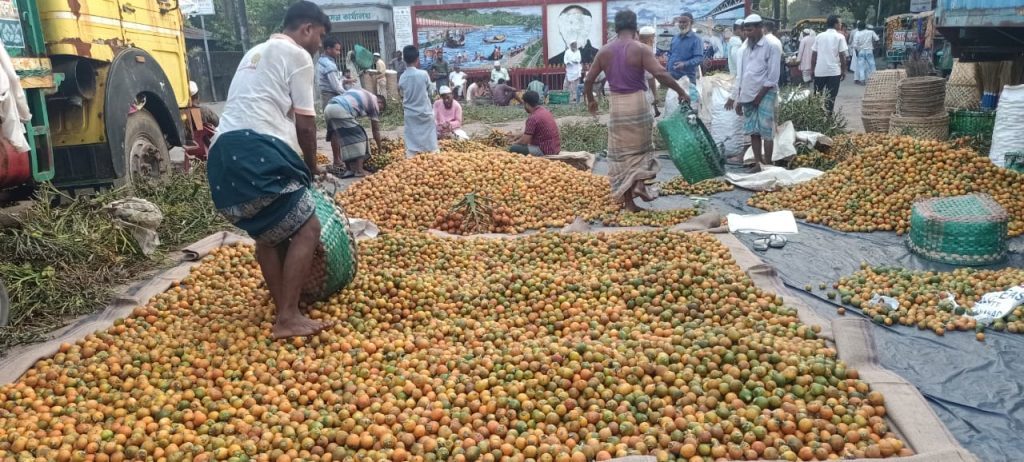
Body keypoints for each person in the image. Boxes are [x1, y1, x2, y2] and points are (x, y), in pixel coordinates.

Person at [207, 1, 330, 339]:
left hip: (222, 158)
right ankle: (288, 316)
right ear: (306, 29)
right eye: (319, 36)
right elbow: (306, 124)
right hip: (256, 151)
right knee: (308, 227)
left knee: (267, 233)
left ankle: (284, 311)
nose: (319, 45)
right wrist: (309, 168)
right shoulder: (298, 56)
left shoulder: (254, 53)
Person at [585, 9, 689, 212]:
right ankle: (640, 184)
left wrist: (591, 100)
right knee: (642, 150)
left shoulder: (604, 51)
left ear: (616, 27)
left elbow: (589, 79)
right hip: (638, 104)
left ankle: (630, 203)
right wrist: (680, 91)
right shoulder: (640, 48)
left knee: (621, 156)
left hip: (617, 107)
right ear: (635, 28)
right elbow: (659, 73)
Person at [725, 14, 781, 172]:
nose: (747, 34)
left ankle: (768, 164)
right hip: (748, 95)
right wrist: (738, 99)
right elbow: (742, 76)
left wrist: (759, 97)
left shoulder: (772, 46)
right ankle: (758, 163)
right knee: (753, 131)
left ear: (759, 28)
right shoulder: (744, 49)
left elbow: (773, 77)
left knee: (766, 130)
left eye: (750, 30)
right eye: (745, 31)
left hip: (766, 93)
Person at [324, 88, 382, 177]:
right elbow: (376, 131)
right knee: (360, 136)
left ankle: (349, 170)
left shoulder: (362, 92)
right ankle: (359, 170)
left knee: (344, 139)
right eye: (381, 109)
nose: (379, 111)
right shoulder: (374, 103)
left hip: (329, 108)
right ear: (380, 102)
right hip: (340, 109)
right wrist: (380, 149)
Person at [398, 45, 438, 155]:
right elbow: (431, 92)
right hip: (425, 112)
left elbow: (401, 93)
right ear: (417, 59)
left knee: (412, 143)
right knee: (430, 142)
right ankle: (434, 163)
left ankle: (412, 163)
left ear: (404, 60)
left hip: (410, 114)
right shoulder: (423, 74)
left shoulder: (402, 77)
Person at [317, 38, 346, 167]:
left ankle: (338, 158)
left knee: (334, 128)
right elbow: (336, 86)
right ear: (328, 49)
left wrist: (344, 81)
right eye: (337, 49)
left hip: (326, 95)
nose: (339, 52)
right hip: (331, 97)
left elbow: (336, 81)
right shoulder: (329, 65)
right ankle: (337, 159)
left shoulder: (321, 61)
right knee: (335, 129)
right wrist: (348, 95)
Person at [812, 15, 849, 114]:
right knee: (831, 97)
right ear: (835, 24)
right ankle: (828, 119)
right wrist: (843, 70)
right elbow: (842, 55)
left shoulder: (819, 36)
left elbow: (814, 55)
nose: (841, 25)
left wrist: (812, 69)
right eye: (840, 23)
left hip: (820, 71)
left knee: (817, 96)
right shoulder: (839, 37)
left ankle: (816, 117)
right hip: (834, 72)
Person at [508, 91, 560, 156]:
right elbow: (530, 132)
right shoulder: (544, 111)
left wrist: (514, 143)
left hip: (544, 151)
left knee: (514, 148)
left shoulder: (533, 118)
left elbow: (524, 141)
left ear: (526, 104)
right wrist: (518, 135)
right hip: (555, 148)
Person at [667, 13, 703, 85]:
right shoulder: (675, 38)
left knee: (687, 96)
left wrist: (684, 64)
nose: (682, 24)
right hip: (672, 77)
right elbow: (670, 54)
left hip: (687, 79)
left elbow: (699, 58)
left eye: (684, 22)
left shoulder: (696, 39)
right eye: (680, 22)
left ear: (691, 23)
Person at [638, 26, 660, 117]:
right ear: (649, 38)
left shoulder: (633, 49)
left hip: (629, 93)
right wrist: (655, 95)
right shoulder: (647, 52)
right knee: (646, 120)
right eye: (653, 38)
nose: (654, 41)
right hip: (643, 92)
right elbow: (650, 77)